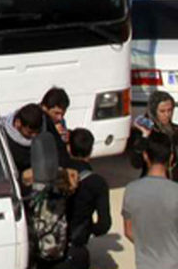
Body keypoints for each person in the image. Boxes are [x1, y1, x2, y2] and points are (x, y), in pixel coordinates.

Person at [122, 132, 178, 269]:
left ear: (145, 156)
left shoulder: (131, 190)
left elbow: (129, 231)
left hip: (145, 264)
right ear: (171, 158)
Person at [61, 128, 110, 269]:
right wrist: (88, 229)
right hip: (76, 248)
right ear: (91, 150)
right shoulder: (97, 182)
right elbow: (104, 224)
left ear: (69, 148)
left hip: (49, 244)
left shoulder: (56, 174)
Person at [129, 90, 176, 179]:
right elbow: (136, 163)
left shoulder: (175, 131)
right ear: (154, 112)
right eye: (162, 111)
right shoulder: (145, 133)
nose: (167, 114)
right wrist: (145, 136)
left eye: (169, 110)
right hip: (153, 180)